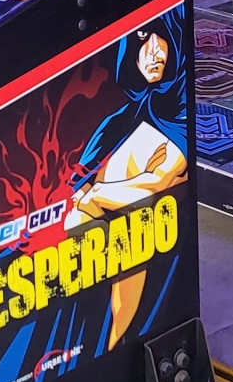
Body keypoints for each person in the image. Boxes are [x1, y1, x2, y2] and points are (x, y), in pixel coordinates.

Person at [64, 19, 189, 351]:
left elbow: (160, 181)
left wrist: (95, 198)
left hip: (140, 233)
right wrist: (85, 199)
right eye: (142, 39)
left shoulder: (178, 113)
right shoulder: (121, 119)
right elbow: (76, 185)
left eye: (161, 38)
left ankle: (114, 351)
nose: (152, 52)